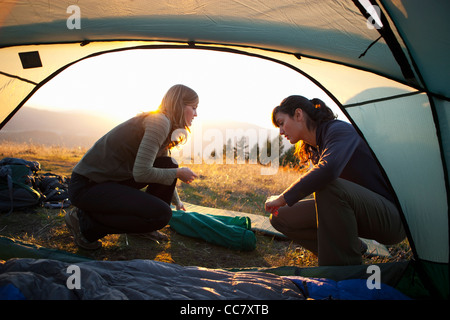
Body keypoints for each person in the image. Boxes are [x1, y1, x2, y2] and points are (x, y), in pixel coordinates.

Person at [265, 95, 405, 266]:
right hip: (352, 212)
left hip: (389, 219)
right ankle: (351, 249)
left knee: (327, 185)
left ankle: (343, 273)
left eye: (281, 123)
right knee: (281, 217)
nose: (280, 131)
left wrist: (282, 198)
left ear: (298, 115)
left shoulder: (339, 130)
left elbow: (328, 170)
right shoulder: (317, 149)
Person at [65, 84, 199, 250]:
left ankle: (142, 228)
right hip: (87, 186)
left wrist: (177, 202)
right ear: (179, 105)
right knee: (162, 215)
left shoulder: (165, 124)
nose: (196, 114)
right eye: (193, 108)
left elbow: (164, 168)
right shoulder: (159, 122)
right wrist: (178, 173)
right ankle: (84, 223)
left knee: (168, 163)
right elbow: (142, 173)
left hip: (111, 180)